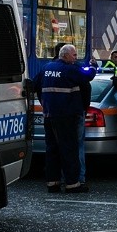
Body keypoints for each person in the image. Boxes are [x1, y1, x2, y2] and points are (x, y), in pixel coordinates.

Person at [38, 44, 96, 193]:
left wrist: (45, 103)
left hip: (49, 115)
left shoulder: (46, 68)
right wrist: (93, 67)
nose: (76, 58)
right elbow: (88, 76)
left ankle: (53, 182)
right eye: (74, 55)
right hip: (66, 115)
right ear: (65, 56)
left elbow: (35, 85)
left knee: (52, 149)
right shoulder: (70, 69)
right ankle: (72, 183)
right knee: (69, 149)